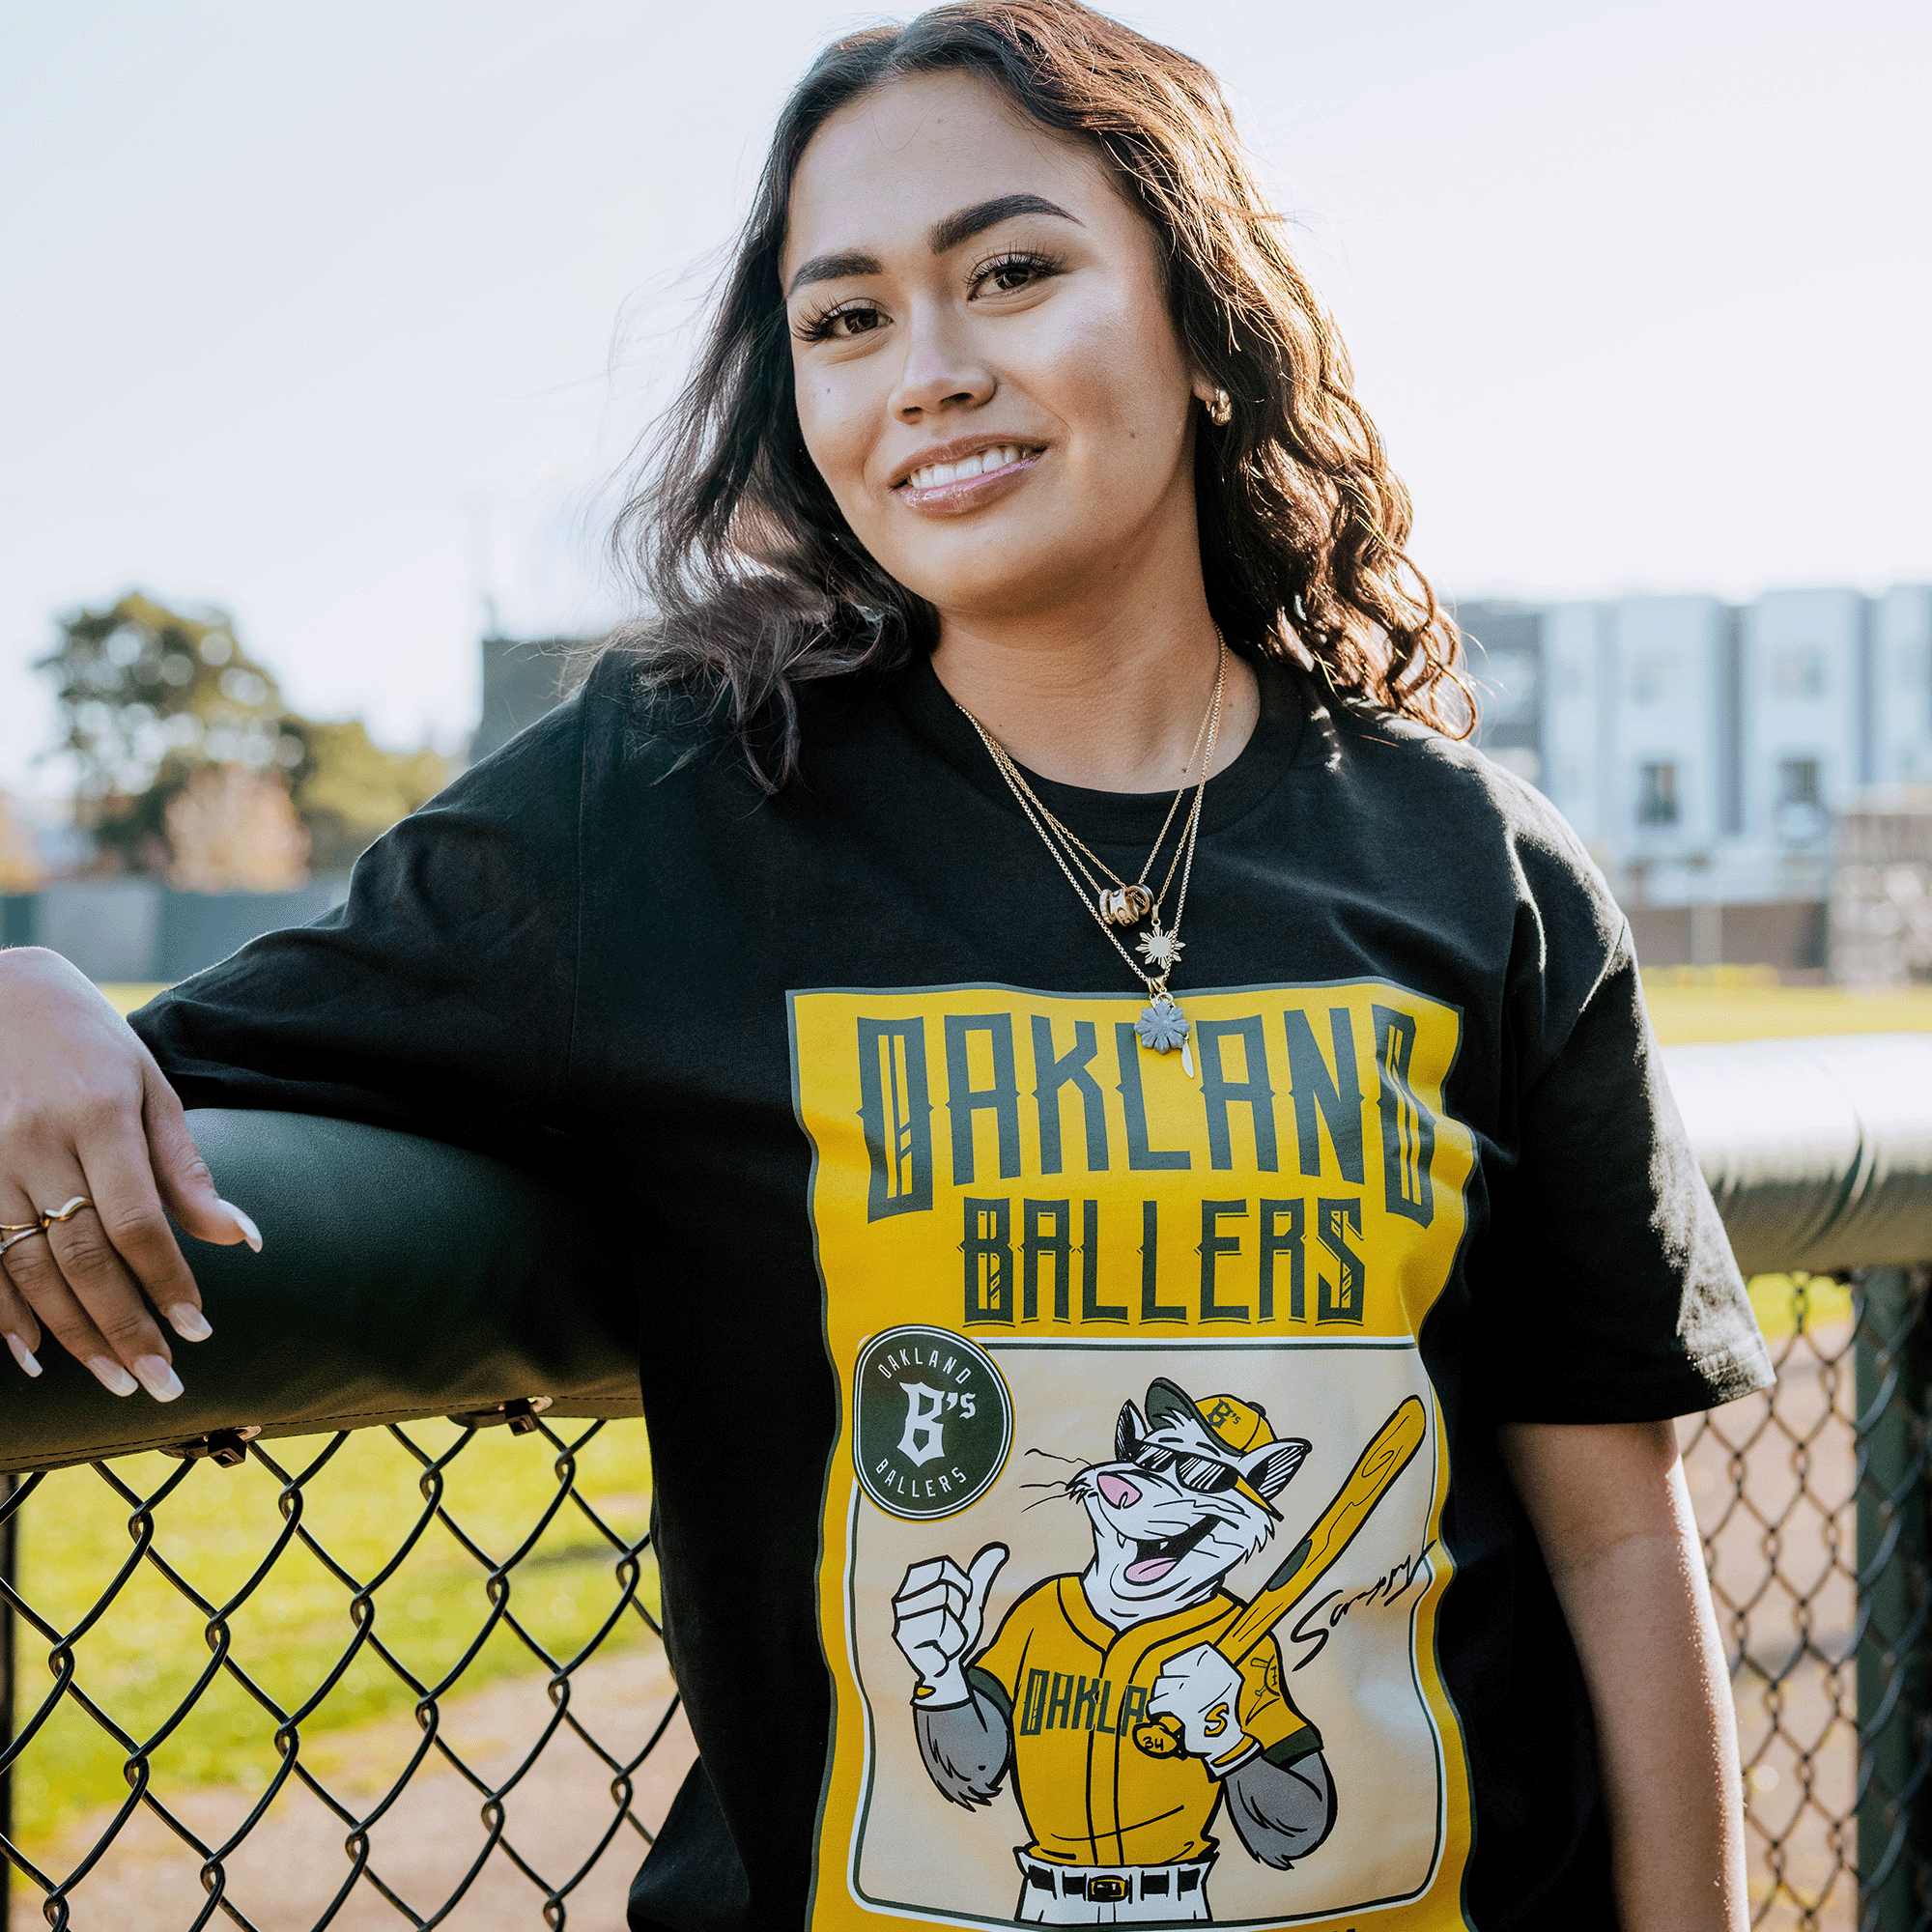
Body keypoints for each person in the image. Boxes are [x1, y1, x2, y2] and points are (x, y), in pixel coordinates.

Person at [0, 4, 1772, 1928]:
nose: (925, 372)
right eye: (843, 318)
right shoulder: (660, 814)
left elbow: (1612, 1534)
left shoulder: (1475, 868)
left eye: (1011, 272)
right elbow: (188, 1058)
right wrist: (21, 990)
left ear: (1200, 317)